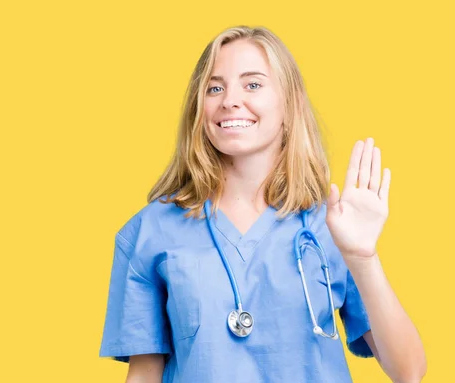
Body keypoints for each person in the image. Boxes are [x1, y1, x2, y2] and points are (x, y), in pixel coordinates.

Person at [98, 25, 426, 382]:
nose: (230, 100)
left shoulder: (331, 226)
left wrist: (363, 258)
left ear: (291, 102)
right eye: (215, 87)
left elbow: (408, 371)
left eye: (252, 84)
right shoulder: (150, 231)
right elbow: (144, 375)